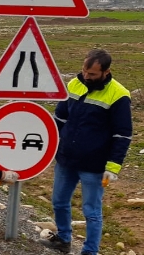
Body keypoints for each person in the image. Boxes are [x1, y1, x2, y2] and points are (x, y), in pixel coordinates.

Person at [39, 49, 132, 255]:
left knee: (91, 211)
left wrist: (113, 167)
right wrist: (49, 146)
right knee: (59, 202)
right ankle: (63, 239)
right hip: (66, 158)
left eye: (92, 74)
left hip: (94, 164)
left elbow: (123, 135)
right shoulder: (75, 83)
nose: (86, 77)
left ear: (106, 72)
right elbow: (60, 118)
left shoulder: (119, 95)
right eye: (84, 71)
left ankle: (89, 251)